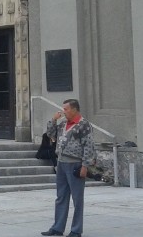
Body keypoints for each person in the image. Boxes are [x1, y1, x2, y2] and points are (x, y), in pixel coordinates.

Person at [41, 99, 96, 237]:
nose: (63, 111)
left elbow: (88, 146)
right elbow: (50, 134)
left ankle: (76, 230)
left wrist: (85, 165)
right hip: (61, 162)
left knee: (77, 198)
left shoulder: (84, 125)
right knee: (61, 196)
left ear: (74, 109)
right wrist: (53, 120)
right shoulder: (63, 124)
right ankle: (57, 228)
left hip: (75, 164)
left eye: (66, 109)